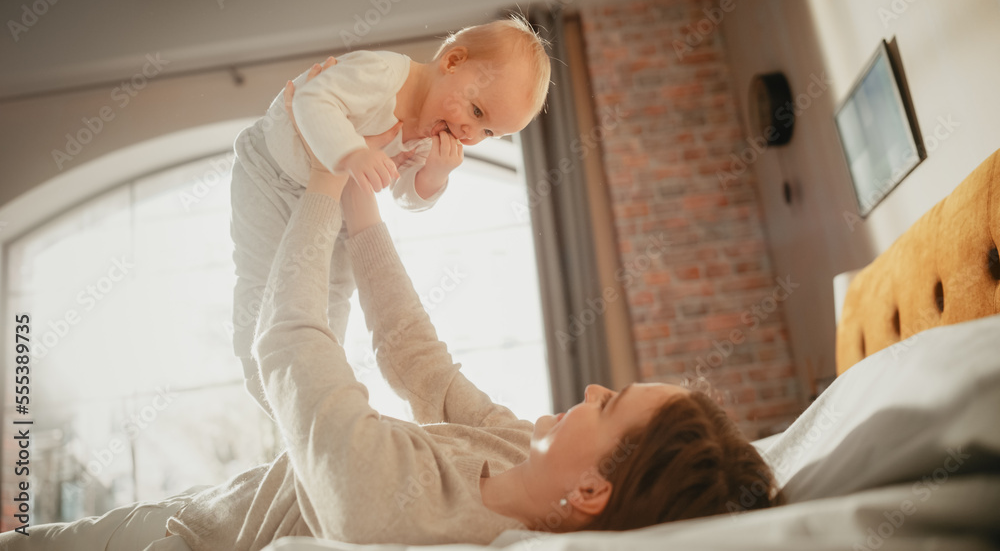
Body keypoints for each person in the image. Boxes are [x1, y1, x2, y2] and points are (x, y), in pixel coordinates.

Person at [0, 47, 782, 551]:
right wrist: (365, 209)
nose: (590, 389)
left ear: (591, 490)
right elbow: (417, 358)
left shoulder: (403, 520)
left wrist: (326, 178)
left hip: (190, 538)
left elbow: (290, 344)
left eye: (607, 406)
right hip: (227, 495)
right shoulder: (522, 451)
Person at [231, 15, 552, 418]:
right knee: (262, 282)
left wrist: (433, 174)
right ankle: (255, 366)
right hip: (272, 173)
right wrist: (352, 154)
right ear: (452, 62)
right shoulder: (383, 74)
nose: (470, 133)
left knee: (333, 294)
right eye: (476, 110)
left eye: (488, 133)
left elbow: (404, 195)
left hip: (334, 206)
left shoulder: (430, 132)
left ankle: (314, 379)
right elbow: (313, 99)